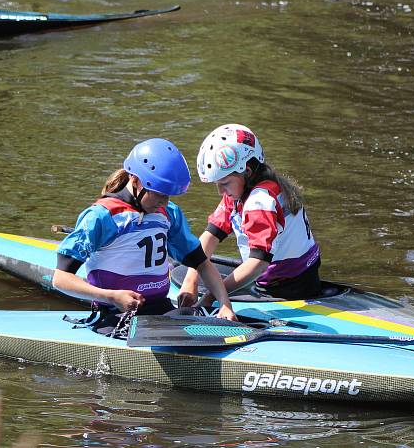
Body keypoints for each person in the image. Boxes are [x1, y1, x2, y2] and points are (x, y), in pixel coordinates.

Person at [52, 138, 236, 335]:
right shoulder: (102, 217)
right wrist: (112, 296)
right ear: (135, 180)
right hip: (116, 314)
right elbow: (60, 278)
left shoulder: (169, 214)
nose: (164, 203)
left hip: (162, 310)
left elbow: (201, 262)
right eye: (159, 194)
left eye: (168, 196)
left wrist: (225, 304)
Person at [178, 124, 322, 305]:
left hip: (287, 288)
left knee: (197, 276)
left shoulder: (259, 201)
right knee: (185, 271)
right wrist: (191, 280)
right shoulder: (241, 189)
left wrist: (212, 296)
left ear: (247, 171)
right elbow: (211, 235)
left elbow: (258, 263)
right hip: (295, 273)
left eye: (224, 183)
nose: (220, 191)